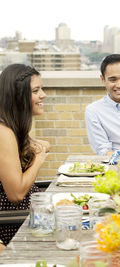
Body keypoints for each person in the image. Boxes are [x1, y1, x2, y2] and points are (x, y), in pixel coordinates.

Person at [0, 64, 50, 247]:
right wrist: (38, 159)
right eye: (36, 90)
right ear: (18, 97)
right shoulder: (4, 133)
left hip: (29, 218)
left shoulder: (11, 127)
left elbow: (44, 145)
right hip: (14, 223)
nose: (43, 95)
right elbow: (16, 193)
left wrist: (39, 148)